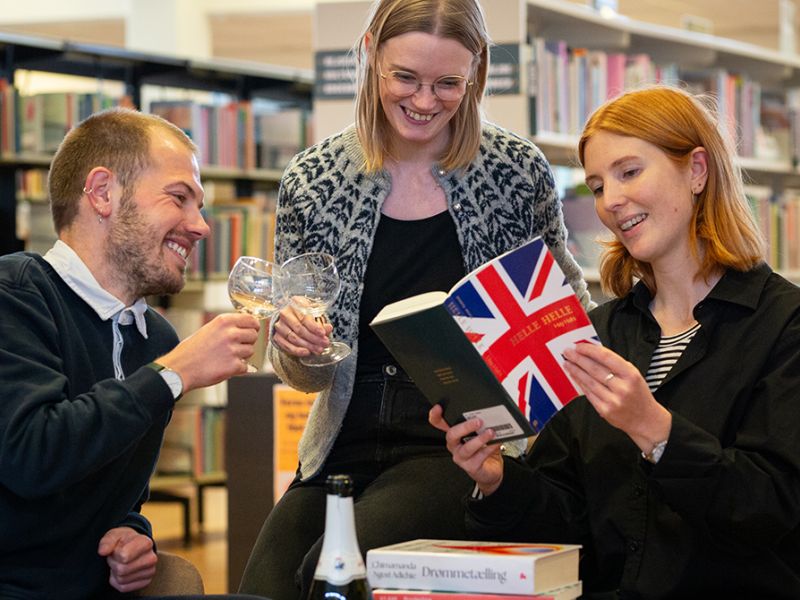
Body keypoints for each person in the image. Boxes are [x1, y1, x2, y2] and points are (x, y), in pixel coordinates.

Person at [238, 1, 592, 599]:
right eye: (405, 77)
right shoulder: (311, 181)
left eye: (448, 83)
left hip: (458, 441)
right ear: (370, 53)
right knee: (262, 590)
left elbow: (566, 309)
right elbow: (303, 375)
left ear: (476, 71)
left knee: (330, 576)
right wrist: (298, 347)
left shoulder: (515, 172)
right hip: (341, 437)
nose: (425, 101)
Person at [430, 84, 800, 598]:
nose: (611, 201)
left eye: (629, 172)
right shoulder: (598, 334)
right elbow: (566, 523)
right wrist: (496, 479)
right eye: (598, 186)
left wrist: (654, 429)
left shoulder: (784, 324)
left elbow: (773, 507)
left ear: (697, 170)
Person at [0, 107, 264, 599]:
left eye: (200, 206)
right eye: (179, 198)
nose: (201, 227)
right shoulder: (14, 293)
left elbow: (119, 495)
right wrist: (172, 374)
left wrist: (132, 533)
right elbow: (31, 457)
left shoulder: (155, 339)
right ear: (102, 193)